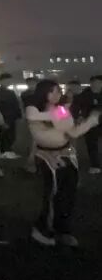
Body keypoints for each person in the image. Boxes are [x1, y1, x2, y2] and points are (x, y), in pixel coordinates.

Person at [26, 80, 100, 247]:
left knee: (68, 194)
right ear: (42, 92)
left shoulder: (60, 110)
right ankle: (42, 230)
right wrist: (62, 113)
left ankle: (63, 230)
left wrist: (90, 121)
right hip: (47, 156)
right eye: (51, 91)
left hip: (66, 154)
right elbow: (32, 117)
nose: (56, 95)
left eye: (58, 91)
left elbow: (73, 132)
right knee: (52, 193)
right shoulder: (33, 108)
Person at [73, 75, 102, 175]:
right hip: (90, 123)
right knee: (91, 143)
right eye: (93, 83)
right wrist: (79, 116)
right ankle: (95, 165)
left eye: (98, 83)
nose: (95, 85)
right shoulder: (84, 95)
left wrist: (98, 111)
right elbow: (76, 107)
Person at [0, 73, 22, 160]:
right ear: (2, 81)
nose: (9, 82)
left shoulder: (11, 92)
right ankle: (4, 152)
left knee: (11, 136)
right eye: (7, 80)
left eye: (10, 81)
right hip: (3, 118)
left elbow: (16, 105)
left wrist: (18, 116)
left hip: (11, 118)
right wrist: (1, 120)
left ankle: (6, 152)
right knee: (4, 136)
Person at [21, 77, 40, 173]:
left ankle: (32, 164)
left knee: (35, 142)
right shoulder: (24, 94)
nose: (31, 85)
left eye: (33, 83)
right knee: (30, 141)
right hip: (30, 119)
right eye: (29, 83)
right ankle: (31, 162)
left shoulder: (41, 94)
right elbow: (23, 106)